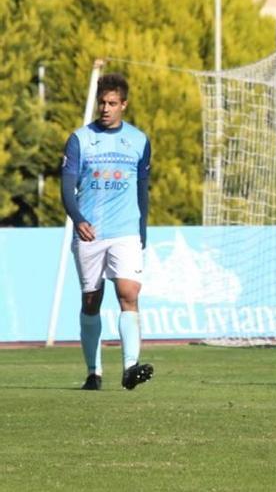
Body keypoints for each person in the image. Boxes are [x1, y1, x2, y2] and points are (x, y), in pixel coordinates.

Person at [61, 73, 154, 391]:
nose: (106, 108)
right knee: (91, 300)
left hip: (125, 231)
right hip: (90, 233)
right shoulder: (80, 139)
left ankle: (130, 368)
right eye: (102, 102)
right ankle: (93, 371)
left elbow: (143, 188)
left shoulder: (139, 140)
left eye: (112, 103)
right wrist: (78, 218)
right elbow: (66, 186)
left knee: (129, 293)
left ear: (124, 105)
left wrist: (142, 228)